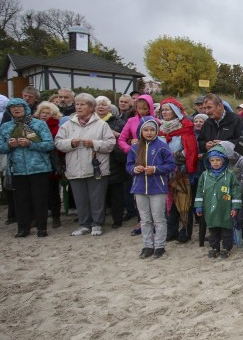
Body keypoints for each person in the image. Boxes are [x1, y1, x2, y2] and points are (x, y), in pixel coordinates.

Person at [54, 93, 117, 236]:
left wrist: (94, 143)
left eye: (83, 104)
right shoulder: (67, 124)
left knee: (97, 197)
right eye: (77, 104)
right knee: (80, 197)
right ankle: (84, 224)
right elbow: (58, 142)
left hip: (96, 167)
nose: (79, 107)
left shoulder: (101, 125)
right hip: (75, 167)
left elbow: (110, 144)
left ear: (91, 107)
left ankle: (96, 224)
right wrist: (70, 143)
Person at [0, 98, 55, 237]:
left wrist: (30, 144)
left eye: (19, 107)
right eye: (13, 107)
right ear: (9, 110)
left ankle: (42, 227)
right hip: (17, 169)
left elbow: (49, 144)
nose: (16, 109)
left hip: (39, 168)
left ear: (25, 108)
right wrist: (9, 145)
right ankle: (23, 228)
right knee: (21, 200)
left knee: (40, 199)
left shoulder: (38, 124)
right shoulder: (5, 127)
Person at [127, 117, 176, 258]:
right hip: (139, 188)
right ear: (140, 131)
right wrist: (134, 169)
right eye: (146, 130)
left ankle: (160, 246)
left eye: (152, 130)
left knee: (159, 218)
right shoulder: (135, 148)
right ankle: (147, 245)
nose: (149, 133)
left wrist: (155, 169)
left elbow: (171, 165)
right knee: (145, 219)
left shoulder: (162, 146)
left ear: (156, 131)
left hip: (158, 188)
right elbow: (128, 165)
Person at [158, 98, 198, 242]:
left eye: (167, 109)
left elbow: (190, 149)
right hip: (164, 171)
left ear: (175, 111)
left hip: (180, 170)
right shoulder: (161, 129)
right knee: (169, 203)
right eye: (162, 110)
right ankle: (171, 230)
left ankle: (185, 231)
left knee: (183, 201)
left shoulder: (185, 127)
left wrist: (174, 157)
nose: (164, 112)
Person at [195, 145, 242, 259]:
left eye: (218, 160)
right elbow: (199, 192)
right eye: (212, 160)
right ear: (208, 161)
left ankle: (226, 248)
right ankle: (214, 248)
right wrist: (198, 206)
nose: (215, 163)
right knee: (213, 229)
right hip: (210, 208)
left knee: (226, 229)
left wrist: (235, 207)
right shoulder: (204, 176)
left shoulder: (230, 175)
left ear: (224, 160)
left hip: (226, 208)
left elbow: (236, 192)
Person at [95, 96, 128, 228]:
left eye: (103, 104)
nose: (100, 107)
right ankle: (98, 219)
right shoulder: (91, 122)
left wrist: (114, 137)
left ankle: (117, 219)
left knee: (116, 194)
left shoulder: (118, 123)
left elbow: (124, 140)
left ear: (109, 108)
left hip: (114, 161)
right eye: (98, 105)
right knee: (99, 194)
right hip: (96, 161)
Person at [34, 102, 63, 228]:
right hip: (36, 163)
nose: (44, 115)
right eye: (42, 113)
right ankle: (38, 217)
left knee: (53, 192)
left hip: (52, 163)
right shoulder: (33, 127)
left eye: (47, 113)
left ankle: (56, 217)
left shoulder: (57, 128)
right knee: (38, 193)